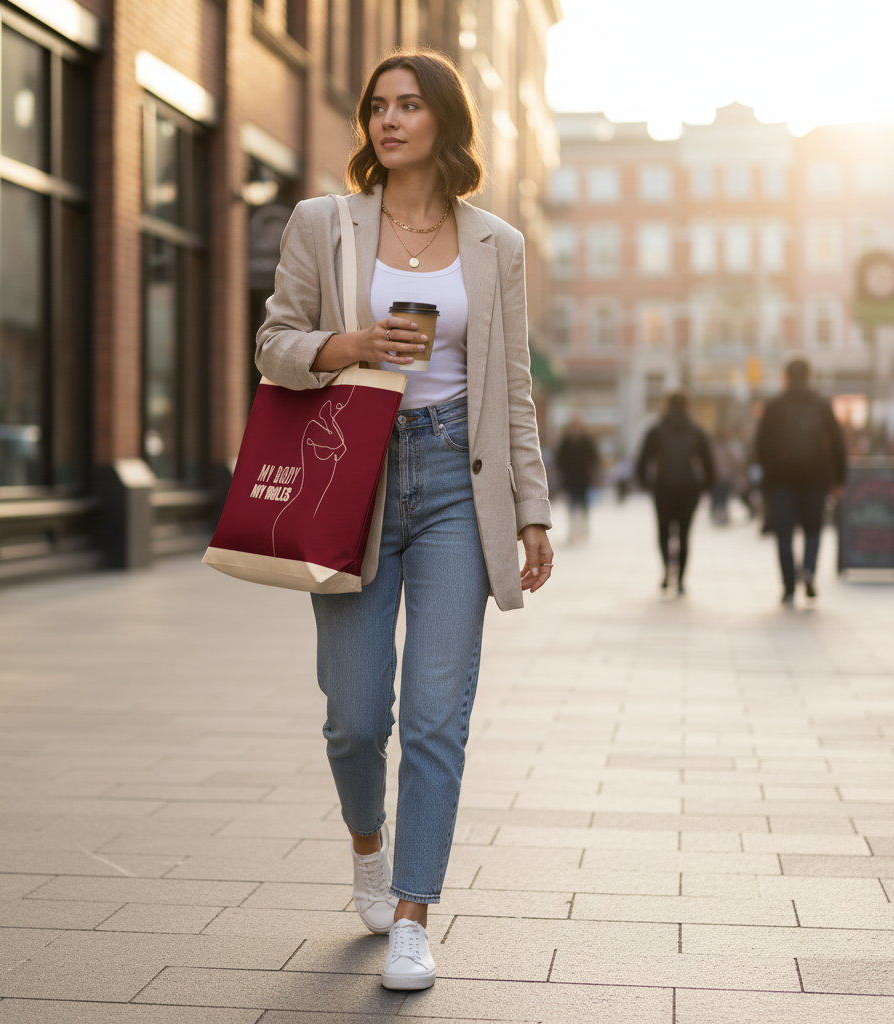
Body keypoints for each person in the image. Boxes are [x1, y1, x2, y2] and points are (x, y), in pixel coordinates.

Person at [255, 49, 553, 990]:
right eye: (377, 106)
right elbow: (273, 345)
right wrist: (346, 343)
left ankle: (416, 914)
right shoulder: (323, 225)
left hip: (459, 488)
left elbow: (512, 390)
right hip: (355, 474)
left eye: (409, 105)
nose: (388, 120)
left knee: (435, 716)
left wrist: (532, 510)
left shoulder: (496, 244)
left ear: (443, 123)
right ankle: (368, 848)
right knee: (353, 717)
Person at [755, 358, 846, 606]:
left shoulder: (774, 406)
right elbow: (838, 443)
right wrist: (839, 479)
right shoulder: (821, 404)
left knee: (784, 533)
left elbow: (761, 445)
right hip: (816, 477)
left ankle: (788, 586)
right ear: (809, 376)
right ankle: (808, 572)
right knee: (813, 528)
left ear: (786, 376)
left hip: (781, 479)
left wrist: (767, 476)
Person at [635, 391, 714, 595]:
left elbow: (643, 459)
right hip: (689, 489)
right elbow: (708, 462)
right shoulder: (695, 430)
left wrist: (645, 483)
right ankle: (680, 579)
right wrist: (706, 486)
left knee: (663, 532)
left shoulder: (657, 430)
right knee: (684, 534)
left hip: (663, 488)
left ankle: (665, 570)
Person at [555, 415, 600, 541]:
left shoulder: (587, 442)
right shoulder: (566, 443)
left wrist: (595, 476)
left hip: (584, 480)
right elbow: (559, 461)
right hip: (570, 480)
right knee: (571, 506)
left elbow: (594, 460)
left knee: (585, 505)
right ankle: (573, 529)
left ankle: (584, 528)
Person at [709, 426, 745, 525]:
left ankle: (722, 515)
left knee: (724, 498)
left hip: (727, 476)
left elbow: (738, 460)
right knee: (717, 497)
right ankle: (715, 513)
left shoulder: (732, 445)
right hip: (717, 476)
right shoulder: (714, 446)